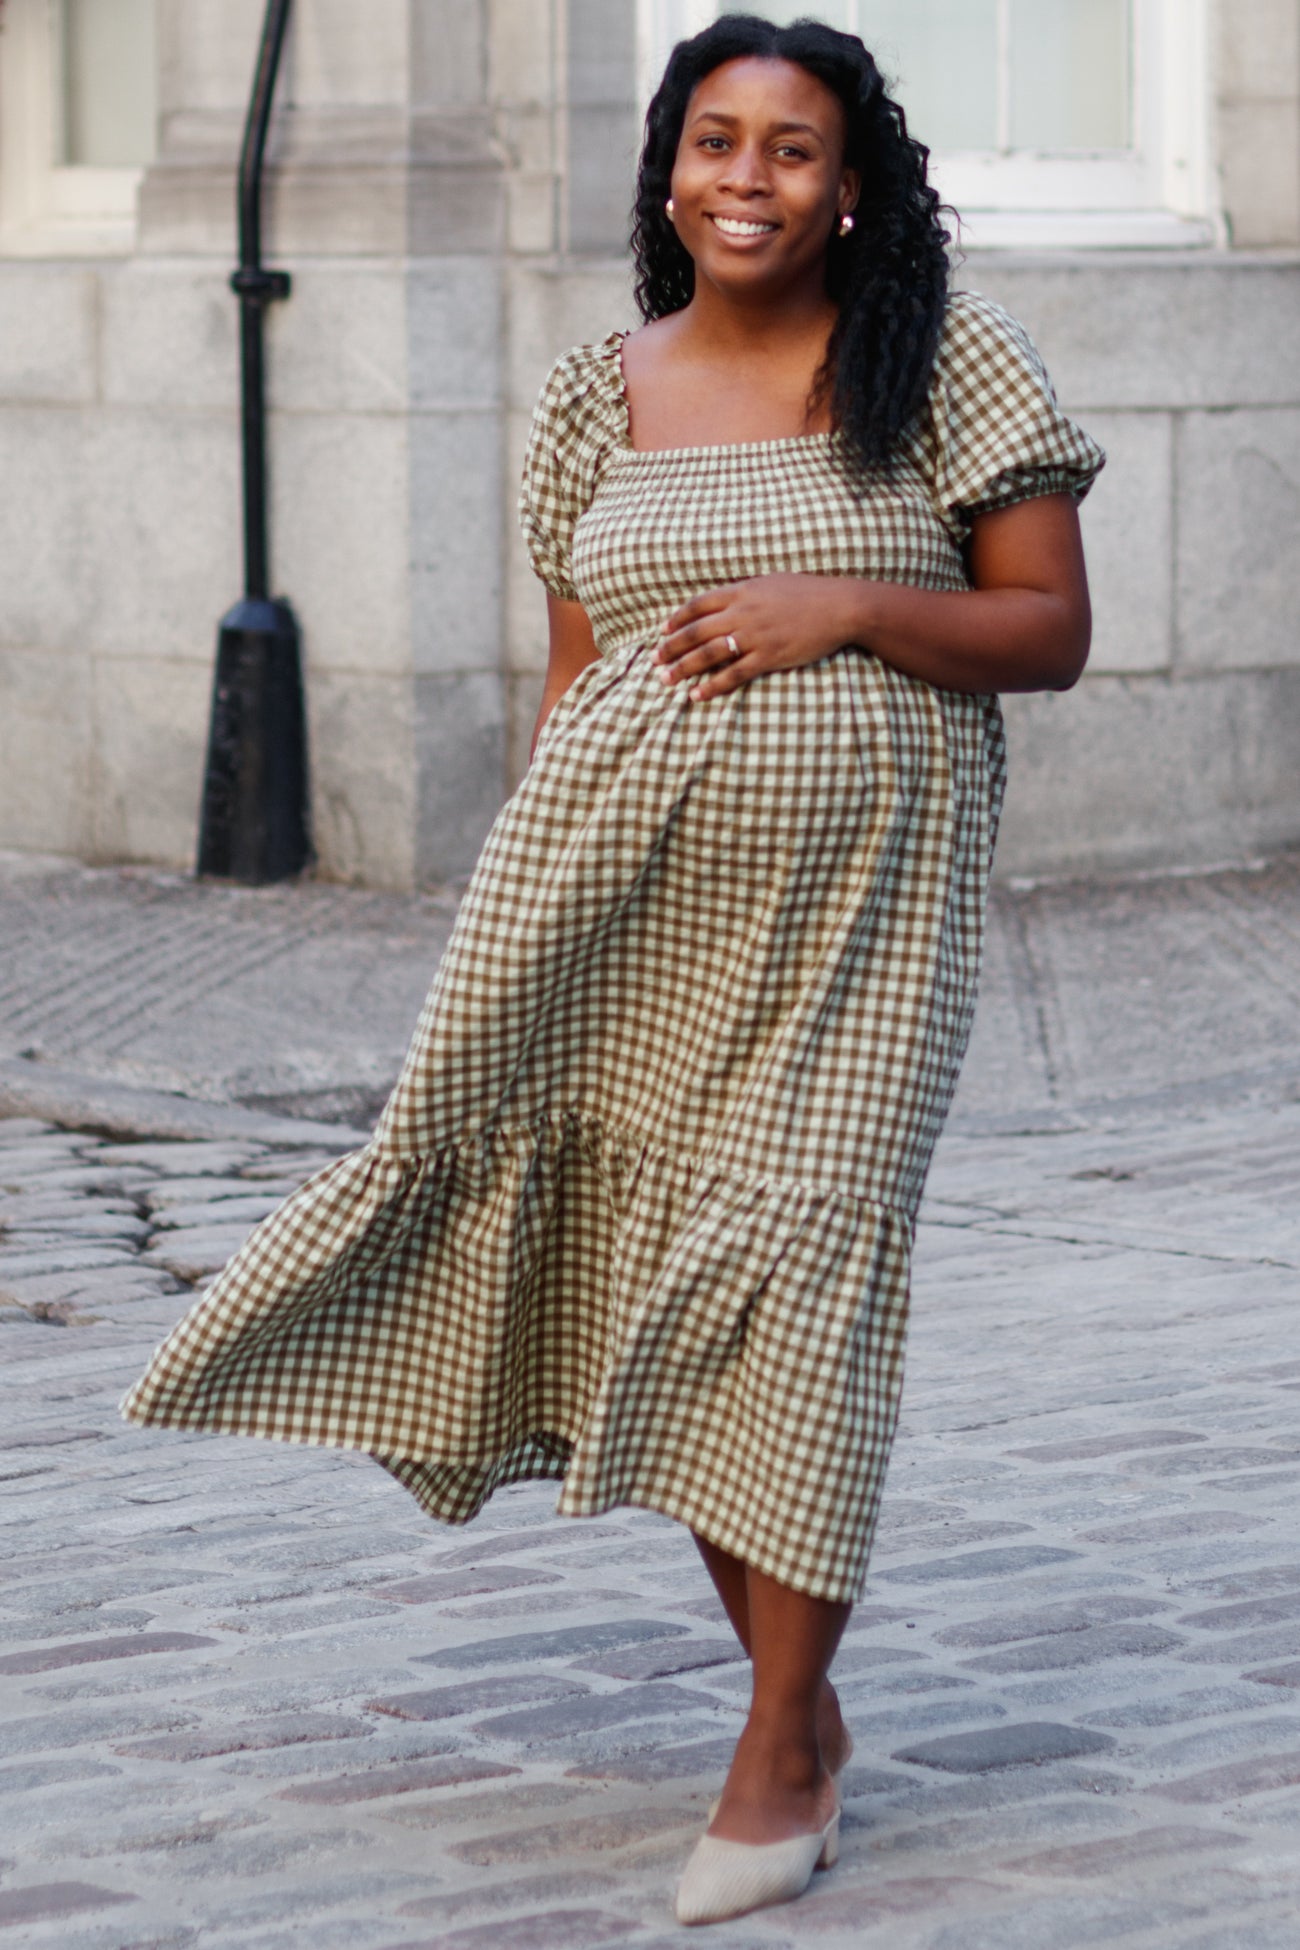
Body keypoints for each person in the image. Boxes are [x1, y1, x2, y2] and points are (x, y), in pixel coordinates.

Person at [122, 13, 1104, 1929]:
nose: (750, 178)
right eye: (715, 140)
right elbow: (578, 681)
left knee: (797, 1275)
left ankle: (776, 1743)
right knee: (647, 1287)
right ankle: (800, 1713)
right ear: (669, 169)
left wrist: (847, 603)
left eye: (793, 149)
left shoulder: (942, 361)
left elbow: (1048, 628)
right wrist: (517, 919)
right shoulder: (594, 392)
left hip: (858, 928)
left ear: (851, 186)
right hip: (617, 912)